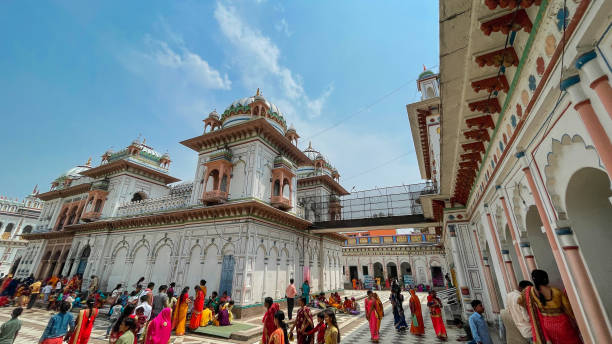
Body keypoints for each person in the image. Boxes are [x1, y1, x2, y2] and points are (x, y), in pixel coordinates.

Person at [519, 269, 581, 344]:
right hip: (562, 323)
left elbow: (519, 301)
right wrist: (578, 322)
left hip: (547, 325)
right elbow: (568, 309)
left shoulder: (532, 293)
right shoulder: (556, 292)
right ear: (545, 279)